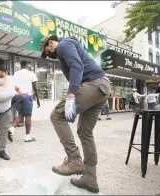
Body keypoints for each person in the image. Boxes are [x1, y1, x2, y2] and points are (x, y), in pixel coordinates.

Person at [39, 35, 111, 193]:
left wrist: (71, 95)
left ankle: (74, 159)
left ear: (50, 43)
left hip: (93, 84)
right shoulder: (67, 47)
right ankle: (90, 179)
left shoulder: (64, 45)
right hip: (102, 87)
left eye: (47, 50)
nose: (49, 53)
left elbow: (77, 66)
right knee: (85, 132)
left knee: (56, 116)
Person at [8, 60, 40, 142]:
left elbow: (13, 86)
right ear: (27, 64)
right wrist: (37, 98)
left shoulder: (15, 74)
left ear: (21, 65)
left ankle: (11, 129)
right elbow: (35, 88)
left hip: (17, 96)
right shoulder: (31, 74)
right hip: (26, 96)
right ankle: (27, 136)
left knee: (21, 115)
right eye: (29, 65)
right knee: (28, 116)